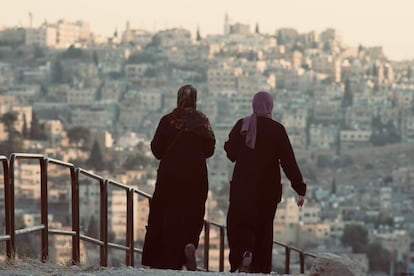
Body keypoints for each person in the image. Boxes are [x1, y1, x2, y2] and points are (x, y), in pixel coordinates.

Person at [224, 91, 306, 273]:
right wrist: (300, 188)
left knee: (239, 224)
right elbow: (288, 161)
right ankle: (260, 268)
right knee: (264, 229)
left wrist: (230, 145)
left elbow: (231, 154)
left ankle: (243, 255)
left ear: (253, 105)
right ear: (270, 106)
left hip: (242, 187)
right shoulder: (277, 130)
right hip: (268, 190)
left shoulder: (242, 125)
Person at [141, 84, 215, 271]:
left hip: (169, 176)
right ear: (195, 100)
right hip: (196, 177)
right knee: (192, 214)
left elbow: (157, 150)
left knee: (164, 214)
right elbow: (209, 150)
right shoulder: (203, 122)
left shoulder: (168, 120)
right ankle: (189, 245)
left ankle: (162, 258)